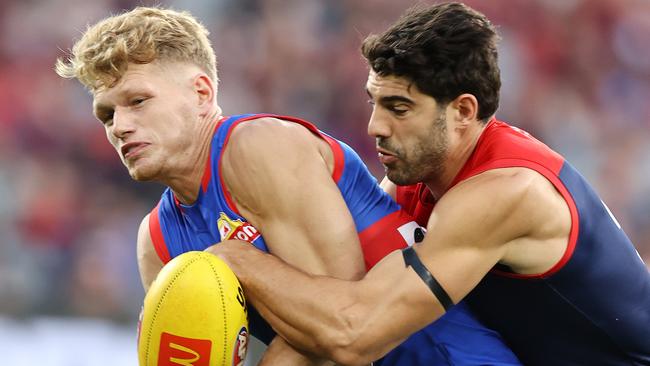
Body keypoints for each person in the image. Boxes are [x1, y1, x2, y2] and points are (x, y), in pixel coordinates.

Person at [55, 6, 522, 366]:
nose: (119, 126)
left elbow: (340, 330)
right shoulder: (155, 241)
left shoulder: (258, 147)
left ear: (201, 93)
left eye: (138, 101)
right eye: (107, 114)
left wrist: (234, 258)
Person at [206, 2, 650, 366]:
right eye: (374, 102)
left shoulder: (507, 193)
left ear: (462, 111)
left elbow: (355, 335)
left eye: (399, 108)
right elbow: (341, 288)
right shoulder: (417, 176)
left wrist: (238, 259)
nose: (375, 126)